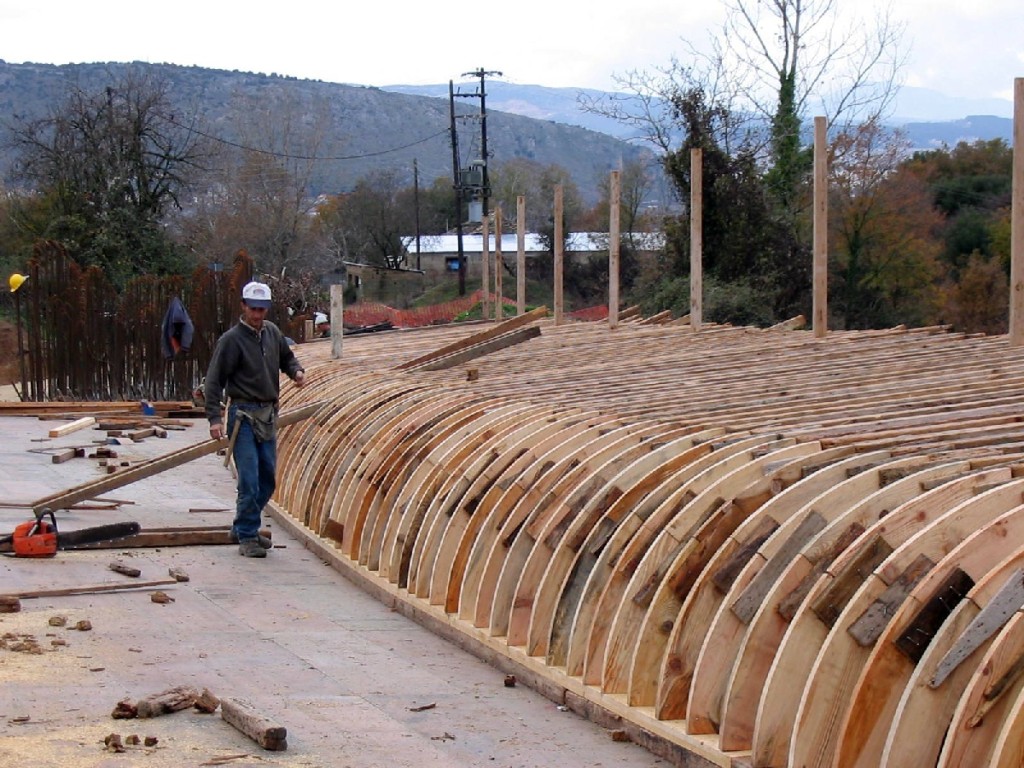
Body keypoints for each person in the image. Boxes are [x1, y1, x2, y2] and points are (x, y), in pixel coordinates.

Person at [204, 281, 306, 558]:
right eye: (253, 308)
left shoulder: (272, 333)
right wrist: (214, 417)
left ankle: (241, 526)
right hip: (243, 415)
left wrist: (296, 372)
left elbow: (288, 358)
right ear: (243, 306)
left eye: (262, 309)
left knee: (267, 479)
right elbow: (214, 380)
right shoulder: (231, 340)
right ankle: (248, 535)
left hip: (268, 413)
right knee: (248, 478)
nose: (258, 314)